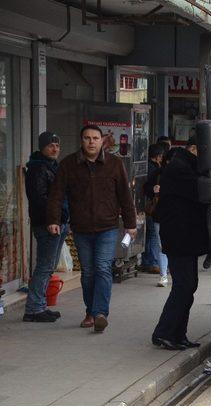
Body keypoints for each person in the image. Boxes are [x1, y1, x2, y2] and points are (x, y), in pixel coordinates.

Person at [47, 125, 137, 332]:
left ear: (102, 140)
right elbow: (56, 195)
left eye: (95, 138)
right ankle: (90, 311)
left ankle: (100, 313)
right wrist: (53, 220)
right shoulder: (69, 164)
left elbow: (125, 195)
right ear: (81, 141)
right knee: (88, 272)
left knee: (103, 268)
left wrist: (131, 225)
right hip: (81, 227)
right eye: (87, 138)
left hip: (108, 226)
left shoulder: (114, 164)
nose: (91, 142)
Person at [152, 139, 209, 350]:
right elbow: (201, 193)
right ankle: (165, 333)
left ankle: (178, 333)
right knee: (184, 286)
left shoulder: (185, 166)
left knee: (188, 286)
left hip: (185, 239)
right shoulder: (180, 168)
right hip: (179, 239)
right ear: (194, 150)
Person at [23, 132, 70, 323]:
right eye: (51, 145)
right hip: (48, 224)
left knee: (49, 266)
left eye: (57, 145)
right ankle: (34, 308)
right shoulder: (38, 169)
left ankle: (39, 304)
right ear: (42, 147)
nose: (55, 149)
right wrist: (54, 219)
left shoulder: (52, 166)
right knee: (44, 265)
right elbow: (40, 199)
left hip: (58, 222)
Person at [143, 143, 169, 287]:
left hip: (177, 216)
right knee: (161, 244)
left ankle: (169, 272)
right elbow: (146, 188)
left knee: (171, 244)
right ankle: (163, 274)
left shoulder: (182, 175)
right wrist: (153, 189)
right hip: (160, 213)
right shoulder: (157, 174)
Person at [141, 143, 164, 275]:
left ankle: (148, 261)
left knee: (150, 235)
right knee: (154, 236)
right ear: (158, 156)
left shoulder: (148, 167)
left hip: (148, 206)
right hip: (152, 207)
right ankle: (153, 262)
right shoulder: (155, 170)